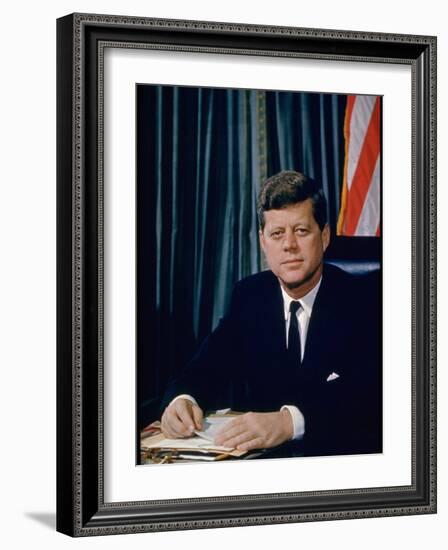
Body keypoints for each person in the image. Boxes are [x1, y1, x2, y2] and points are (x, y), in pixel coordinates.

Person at [159, 171, 382, 457]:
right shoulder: (249, 296)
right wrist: (182, 399)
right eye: (277, 234)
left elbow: (372, 396)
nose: (288, 244)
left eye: (301, 231)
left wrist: (290, 422)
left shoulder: (365, 300)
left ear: (324, 237)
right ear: (264, 243)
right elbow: (204, 367)